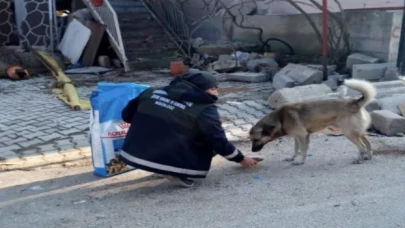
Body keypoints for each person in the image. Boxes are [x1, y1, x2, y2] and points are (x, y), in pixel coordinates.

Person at [120, 71, 259, 188]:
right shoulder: (205, 109)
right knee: (209, 141)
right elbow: (218, 140)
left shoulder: (150, 92)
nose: (216, 93)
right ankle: (176, 171)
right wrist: (241, 159)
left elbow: (126, 116)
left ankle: (160, 164)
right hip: (161, 156)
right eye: (213, 89)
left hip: (132, 153)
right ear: (198, 89)